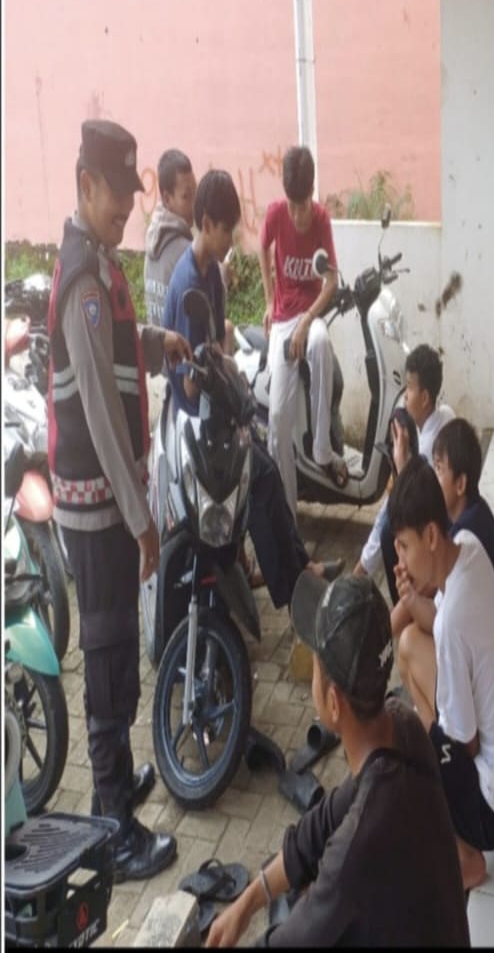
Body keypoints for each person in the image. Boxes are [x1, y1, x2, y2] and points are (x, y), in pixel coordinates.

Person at [48, 119, 191, 880]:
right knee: (106, 652)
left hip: (107, 504)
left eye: (133, 196)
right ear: (85, 185)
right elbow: (102, 413)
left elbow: (115, 357)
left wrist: (159, 340)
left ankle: (115, 782)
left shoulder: (99, 267)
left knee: (117, 650)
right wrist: (142, 523)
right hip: (97, 508)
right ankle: (112, 826)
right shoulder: (83, 281)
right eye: (117, 195)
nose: (127, 210)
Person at [205, 573, 470, 948]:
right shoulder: (401, 725)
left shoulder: (359, 843)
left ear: (333, 702)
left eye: (315, 664)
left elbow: (290, 941)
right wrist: (248, 901)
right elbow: (317, 828)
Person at [163, 170, 342, 604]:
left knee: (269, 474)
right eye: (227, 230)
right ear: (207, 223)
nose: (232, 239)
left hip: (219, 411)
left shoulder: (211, 274)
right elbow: (189, 386)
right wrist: (221, 373)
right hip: (198, 423)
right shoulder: (188, 286)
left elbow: (217, 347)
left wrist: (228, 370)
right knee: (259, 481)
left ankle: (300, 569)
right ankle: (291, 587)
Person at [389, 457, 494, 891]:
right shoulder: (467, 544)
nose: (401, 560)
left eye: (404, 547)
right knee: (409, 644)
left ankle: (466, 857)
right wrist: (411, 597)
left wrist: (433, 740)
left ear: (431, 536)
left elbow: (466, 742)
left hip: (493, 811)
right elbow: (433, 623)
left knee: (410, 753)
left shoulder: (454, 622)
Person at [389, 417, 494, 680]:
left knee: (409, 643)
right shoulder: (474, 514)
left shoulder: (464, 535)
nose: (433, 477)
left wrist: (375, 638)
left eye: (439, 469)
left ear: (460, 484)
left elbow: (422, 605)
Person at [261, 145, 343, 514]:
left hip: (310, 315)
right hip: (282, 320)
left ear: (311, 192)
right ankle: (288, 514)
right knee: (278, 419)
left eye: (302, 204)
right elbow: (262, 249)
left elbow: (332, 280)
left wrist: (308, 320)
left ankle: (322, 448)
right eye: (292, 205)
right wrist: (269, 300)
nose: (296, 213)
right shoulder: (275, 214)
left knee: (321, 343)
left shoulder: (321, 219)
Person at [353, 343, 454, 602]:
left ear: (425, 397)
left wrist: (401, 465)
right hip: (442, 519)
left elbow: (403, 503)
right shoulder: (445, 414)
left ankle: (405, 602)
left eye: (409, 388)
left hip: (440, 530)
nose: (405, 396)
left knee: (389, 529)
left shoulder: (429, 449)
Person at [143, 148, 196, 329]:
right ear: (167, 198)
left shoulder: (151, 240)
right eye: (186, 197)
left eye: (195, 194)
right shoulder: (185, 251)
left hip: (156, 345)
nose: (194, 204)